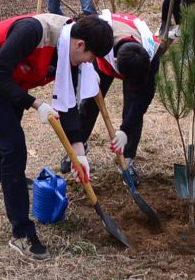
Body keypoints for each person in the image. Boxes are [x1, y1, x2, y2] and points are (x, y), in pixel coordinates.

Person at [0, 13, 113, 261]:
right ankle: (21, 232)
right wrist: (35, 103)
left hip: (15, 79)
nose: (89, 63)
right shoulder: (33, 33)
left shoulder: (70, 50)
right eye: (90, 58)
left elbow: (69, 104)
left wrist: (79, 152)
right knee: (14, 146)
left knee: (8, 124)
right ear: (80, 45)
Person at [60, 11, 160, 186]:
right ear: (115, 61)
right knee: (89, 103)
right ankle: (78, 147)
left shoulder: (151, 53)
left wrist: (125, 131)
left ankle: (127, 159)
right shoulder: (101, 40)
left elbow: (144, 97)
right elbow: (79, 52)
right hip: (104, 56)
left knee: (133, 107)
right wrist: (87, 72)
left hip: (131, 58)